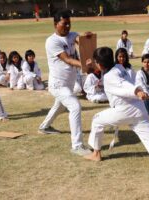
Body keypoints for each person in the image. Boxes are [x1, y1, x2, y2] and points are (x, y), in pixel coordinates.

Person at [84, 47, 149, 181]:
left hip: (124, 110)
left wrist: (137, 91)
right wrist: (138, 92)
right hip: (139, 109)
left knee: (96, 119)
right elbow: (122, 82)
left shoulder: (110, 76)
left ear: (99, 64)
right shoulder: (119, 67)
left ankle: (96, 154)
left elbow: (124, 85)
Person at [38, 10, 92, 156]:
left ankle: (44, 127)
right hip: (57, 85)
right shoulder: (52, 41)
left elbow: (81, 42)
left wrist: (87, 38)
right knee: (75, 106)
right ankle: (77, 145)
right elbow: (67, 59)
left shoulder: (72, 35)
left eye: (69, 23)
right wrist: (85, 65)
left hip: (68, 83)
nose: (67, 26)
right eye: (64, 23)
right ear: (56, 24)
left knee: (59, 106)